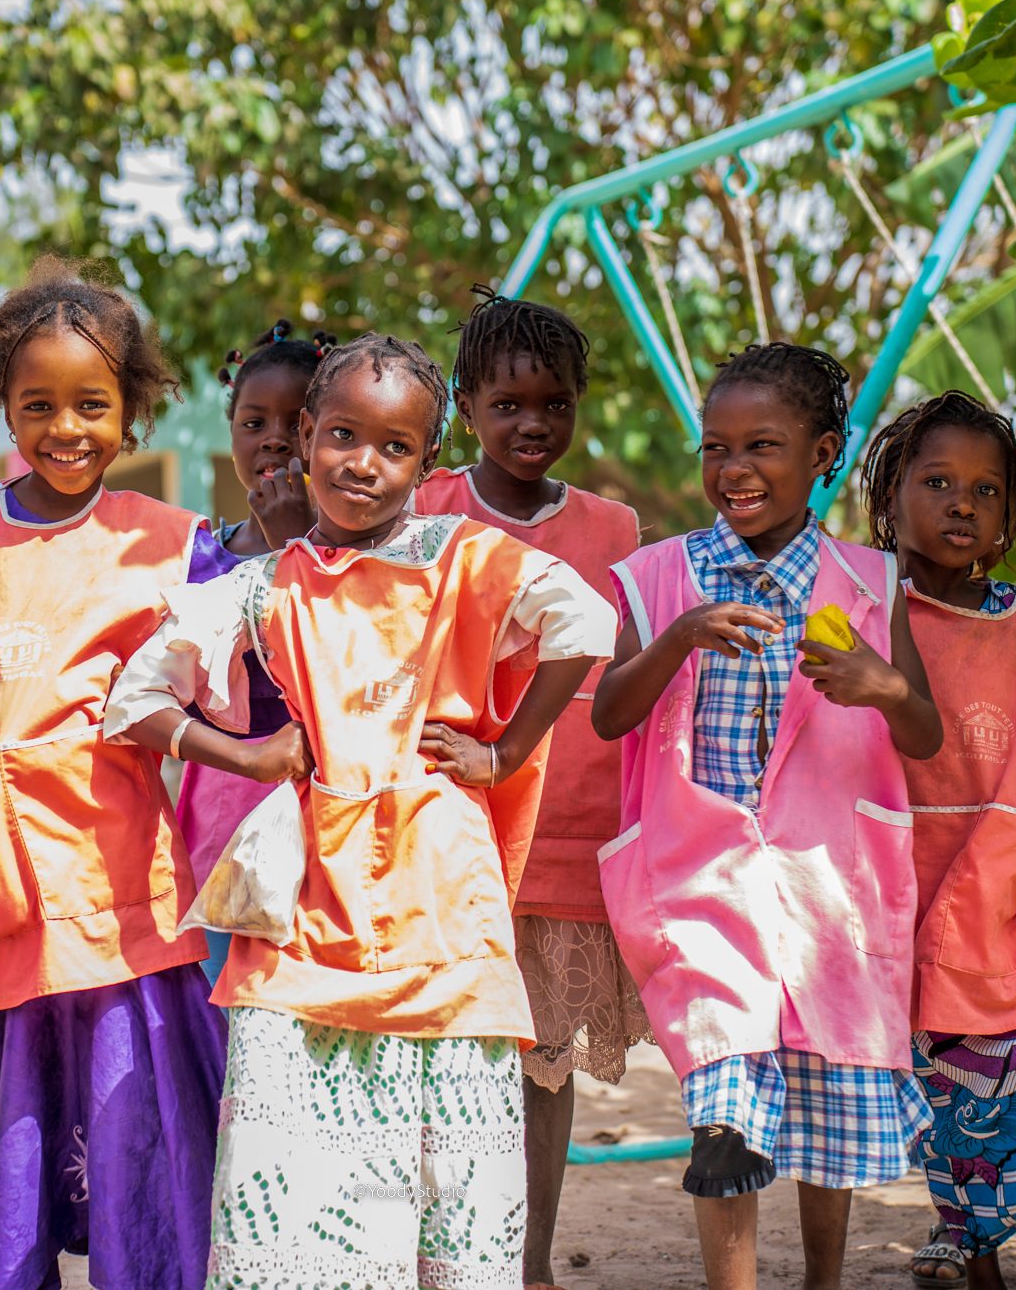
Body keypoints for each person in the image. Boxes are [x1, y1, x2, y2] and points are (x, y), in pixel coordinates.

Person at [103, 332, 617, 1290]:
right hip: (312, 918)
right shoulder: (264, 584)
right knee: (298, 1195)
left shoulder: (469, 558)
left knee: (453, 1203)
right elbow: (137, 698)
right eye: (343, 434)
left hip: (445, 916)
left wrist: (506, 749)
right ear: (305, 436)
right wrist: (247, 751)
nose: (363, 464)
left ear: (428, 463)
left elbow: (586, 621)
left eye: (394, 448)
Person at [590, 342, 942, 1290]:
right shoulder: (661, 575)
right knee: (724, 1083)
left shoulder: (870, 582)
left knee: (827, 1087)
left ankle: (821, 1278)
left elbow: (926, 737)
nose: (733, 471)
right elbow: (608, 713)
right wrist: (680, 636)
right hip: (699, 873)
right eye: (716, 449)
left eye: (762, 447)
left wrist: (886, 685)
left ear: (823, 450)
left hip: (832, 879)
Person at [0, 264, 227, 1290]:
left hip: (125, 886)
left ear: (131, 407)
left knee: (142, 1134)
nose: (65, 427)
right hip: (3, 887)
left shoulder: (173, 545)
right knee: (22, 1132)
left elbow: (235, 683)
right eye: (36, 403)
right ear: (2, 403)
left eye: (92, 403)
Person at [414, 288, 649, 1290]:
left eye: (552, 404)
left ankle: (530, 1259)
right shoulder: (421, 510)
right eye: (507, 404)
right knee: (440, 1059)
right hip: (444, 838)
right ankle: (439, 1255)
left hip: (565, 841)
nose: (531, 423)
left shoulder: (611, 526)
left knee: (538, 1067)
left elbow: (628, 678)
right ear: (464, 406)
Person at [861, 392, 1016, 1289]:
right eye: (937, 482)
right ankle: (963, 1225)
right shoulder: (864, 600)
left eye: (986, 489)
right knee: (951, 1074)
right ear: (890, 498)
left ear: (1011, 517)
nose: (962, 503)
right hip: (911, 881)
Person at [179, 320, 329, 990]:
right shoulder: (200, 555)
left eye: (296, 420)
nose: (272, 436)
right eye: (252, 420)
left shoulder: (357, 551)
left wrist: (296, 545)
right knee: (228, 1027)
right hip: (221, 830)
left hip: (329, 827)